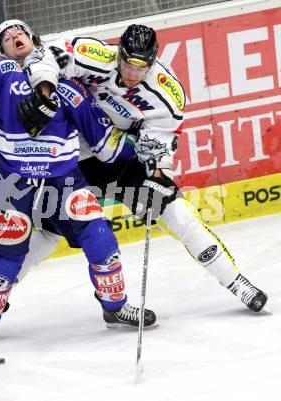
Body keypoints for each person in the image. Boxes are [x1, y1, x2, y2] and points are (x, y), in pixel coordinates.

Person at [0, 20, 156, 345]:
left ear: (33, 38)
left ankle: (115, 306)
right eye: (6, 37)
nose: (15, 37)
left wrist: (137, 146)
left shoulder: (63, 77)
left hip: (64, 179)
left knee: (99, 236)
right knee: (5, 251)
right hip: (14, 180)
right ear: (1, 50)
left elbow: (102, 140)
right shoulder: (0, 71)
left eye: (20, 33)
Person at [15, 22, 268, 313]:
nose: (132, 73)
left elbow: (160, 137)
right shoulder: (95, 54)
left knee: (179, 214)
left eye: (141, 66)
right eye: (127, 63)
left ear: (153, 61)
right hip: (74, 155)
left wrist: (158, 173)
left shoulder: (167, 91)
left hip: (122, 159)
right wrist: (44, 90)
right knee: (47, 229)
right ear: (119, 53)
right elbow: (47, 54)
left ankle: (235, 281)